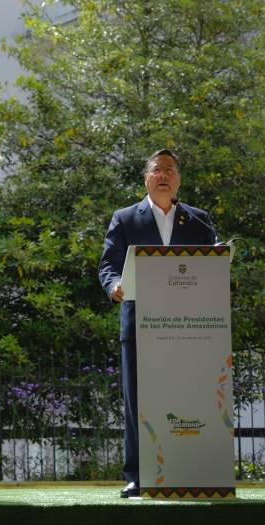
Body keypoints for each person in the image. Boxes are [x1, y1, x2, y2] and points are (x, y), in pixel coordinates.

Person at [98, 149, 217, 498]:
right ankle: (138, 474)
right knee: (138, 400)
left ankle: (192, 468)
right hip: (139, 322)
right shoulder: (125, 218)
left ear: (178, 179)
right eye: (157, 170)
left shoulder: (199, 221)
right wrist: (113, 286)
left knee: (189, 394)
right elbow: (107, 265)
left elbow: (212, 261)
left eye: (170, 170)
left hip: (190, 325)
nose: (163, 175)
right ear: (146, 178)